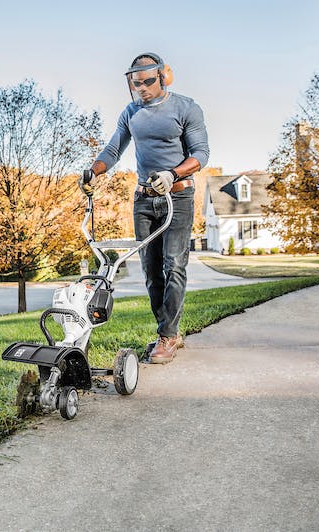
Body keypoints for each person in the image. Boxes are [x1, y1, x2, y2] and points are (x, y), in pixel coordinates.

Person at [80, 52, 209, 364]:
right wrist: (93, 171)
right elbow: (114, 148)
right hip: (143, 198)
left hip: (177, 195)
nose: (143, 88)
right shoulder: (131, 112)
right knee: (151, 272)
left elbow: (201, 153)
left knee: (174, 265)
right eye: (136, 84)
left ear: (163, 77)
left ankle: (167, 336)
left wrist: (173, 173)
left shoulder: (186, 107)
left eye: (149, 82)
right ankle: (168, 331)